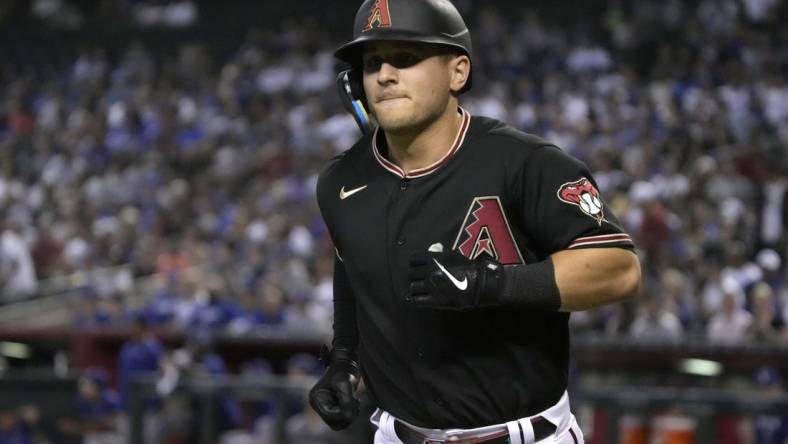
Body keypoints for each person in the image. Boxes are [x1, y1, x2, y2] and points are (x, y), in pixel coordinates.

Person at [310, 1, 641, 443]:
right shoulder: (341, 180)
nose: (385, 74)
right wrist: (346, 362)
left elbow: (619, 268)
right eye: (372, 63)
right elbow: (352, 271)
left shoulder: (525, 163)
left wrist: (492, 284)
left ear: (458, 72)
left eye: (406, 58)